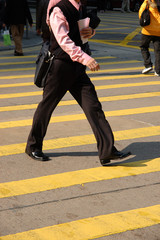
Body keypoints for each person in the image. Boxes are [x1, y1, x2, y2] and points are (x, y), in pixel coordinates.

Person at [25, 0, 131, 166]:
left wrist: (91, 32)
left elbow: (82, 35)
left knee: (93, 106)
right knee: (46, 107)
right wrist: (86, 59)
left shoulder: (80, 7)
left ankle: (107, 151)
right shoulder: (58, 10)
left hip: (77, 68)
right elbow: (64, 41)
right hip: (60, 67)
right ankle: (33, 146)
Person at [139, 0, 160, 76]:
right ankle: (158, 71)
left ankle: (148, 65)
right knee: (158, 51)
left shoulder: (147, 2)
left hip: (147, 31)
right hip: (158, 31)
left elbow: (141, 14)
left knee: (143, 46)